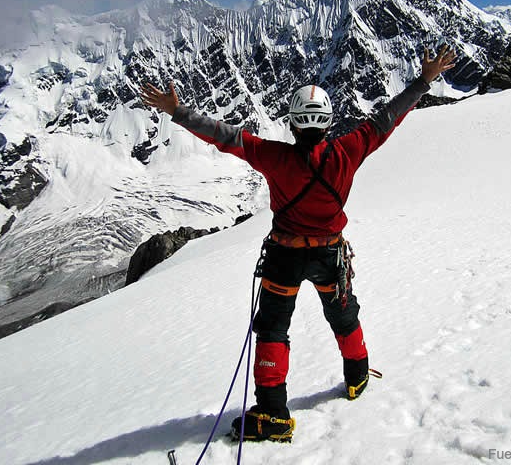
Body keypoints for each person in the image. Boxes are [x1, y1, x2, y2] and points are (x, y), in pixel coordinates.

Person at [142, 45, 457, 443]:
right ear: (328, 123)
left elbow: (225, 138)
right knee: (343, 314)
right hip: (330, 255)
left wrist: (178, 112)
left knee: (274, 328)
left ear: (291, 125)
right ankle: (357, 376)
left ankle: (273, 414)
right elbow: (386, 119)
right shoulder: (348, 150)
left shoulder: (273, 157)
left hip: (285, 256)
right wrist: (423, 81)